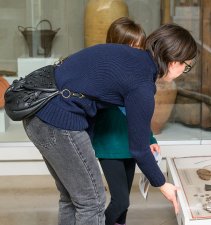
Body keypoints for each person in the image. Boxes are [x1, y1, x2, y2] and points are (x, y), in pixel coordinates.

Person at [23, 22, 197, 225]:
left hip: (37, 111)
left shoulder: (126, 56)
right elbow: (139, 149)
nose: (184, 69)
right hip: (57, 121)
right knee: (92, 202)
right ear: (174, 61)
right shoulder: (141, 85)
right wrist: (163, 184)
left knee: (72, 197)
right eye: (186, 65)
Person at [92, 17, 161, 225]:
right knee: (120, 201)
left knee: (125, 203)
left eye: (140, 48)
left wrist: (150, 138)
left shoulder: (139, 78)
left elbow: (139, 116)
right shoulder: (105, 74)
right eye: (131, 48)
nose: (136, 54)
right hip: (109, 148)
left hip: (131, 148)